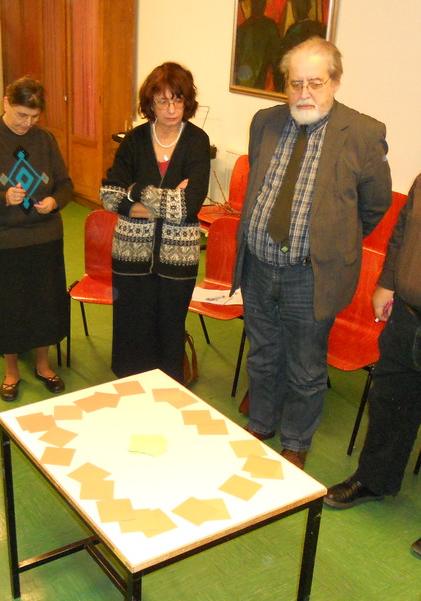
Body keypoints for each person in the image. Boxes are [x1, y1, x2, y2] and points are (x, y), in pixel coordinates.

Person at [232, 37, 391, 469]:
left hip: (311, 275)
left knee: (305, 366)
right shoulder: (265, 122)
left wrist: (330, 242)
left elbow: (374, 206)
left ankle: (296, 441)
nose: (304, 93)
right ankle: (262, 422)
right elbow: (260, 186)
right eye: (295, 83)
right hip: (259, 265)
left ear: (335, 82)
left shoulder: (363, 133)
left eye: (315, 83)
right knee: (262, 353)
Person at [324, 173, 421, 557]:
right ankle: (375, 480)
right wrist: (388, 282)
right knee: (390, 401)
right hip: (409, 316)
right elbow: (402, 233)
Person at [0, 76, 72, 402]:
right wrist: (3, 199)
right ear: (6, 103)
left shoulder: (45, 139)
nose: (27, 123)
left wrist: (55, 201)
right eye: (22, 115)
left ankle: (43, 365)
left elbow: (65, 184)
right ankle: (12, 371)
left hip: (43, 237)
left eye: (34, 117)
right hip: (0, 241)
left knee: (45, 304)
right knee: (6, 307)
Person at [100, 62, 211, 383]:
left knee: (170, 326)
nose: (171, 109)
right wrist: (165, 201)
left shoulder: (197, 141)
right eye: (163, 102)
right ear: (150, 103)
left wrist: (137, 192)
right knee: (131, 324)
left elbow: (189, 206)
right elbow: (109, 195)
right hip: (130, 253)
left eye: (177, 100)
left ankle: (167, 388)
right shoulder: (134, 140)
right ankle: (130, 385)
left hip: (178, 257)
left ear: (187, 101)